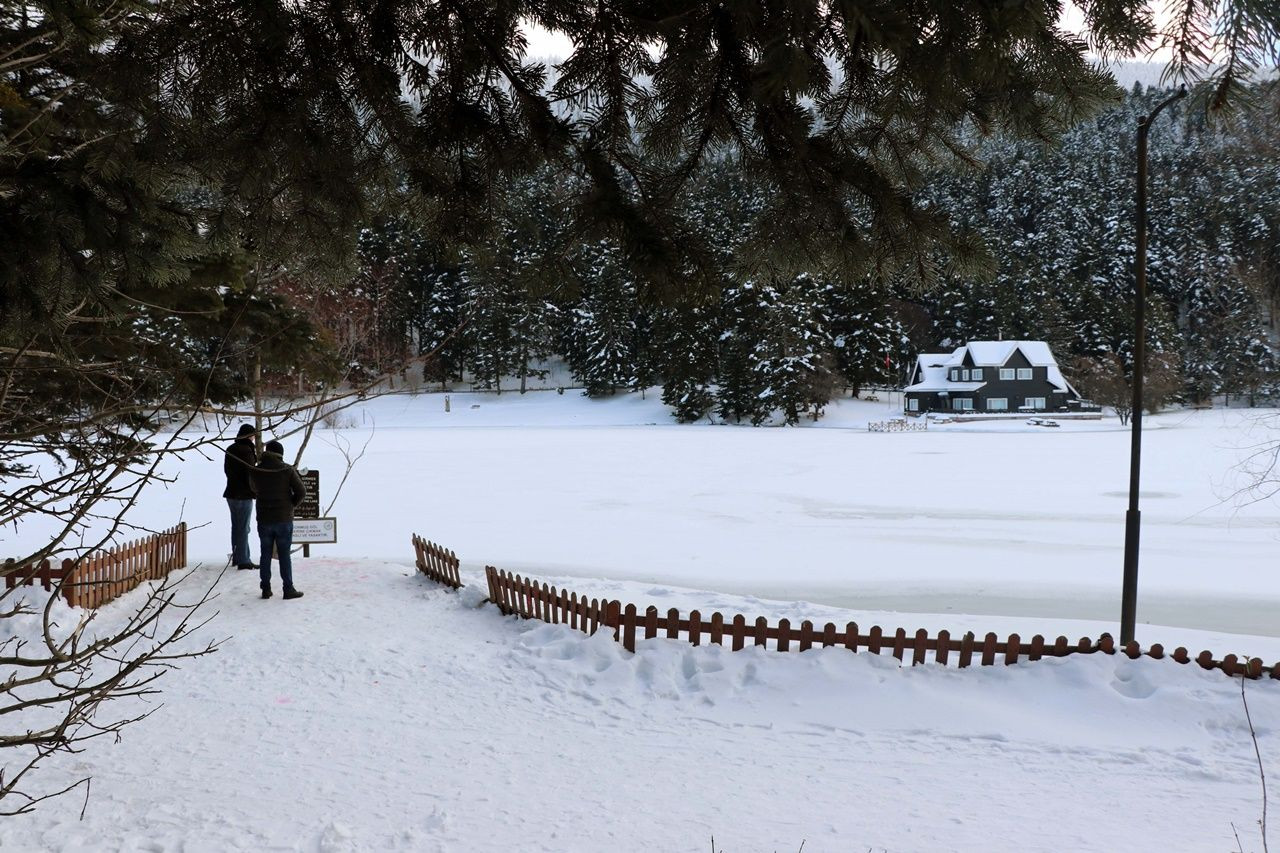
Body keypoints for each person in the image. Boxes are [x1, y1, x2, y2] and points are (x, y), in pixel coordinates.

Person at [249, 439, 307, 600]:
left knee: (265, 553)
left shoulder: (256, 470)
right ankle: (288, 588)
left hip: (264, 518)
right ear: (280, 454)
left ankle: (265, 588)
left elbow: (253, 489)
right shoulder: (287, 470)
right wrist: (291, 506)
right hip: (283, 519)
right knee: (284, 554)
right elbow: (301, 492)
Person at [222, 424, 258, 571]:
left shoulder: (231, 449)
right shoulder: (247, 451)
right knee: (244, 527)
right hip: (243, 494)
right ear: (250, 436)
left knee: (236, 526)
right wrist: (254, 490)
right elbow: (250, 474)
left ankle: (238, 556)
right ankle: (244, 560)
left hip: (231, 492)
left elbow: (227, 470)